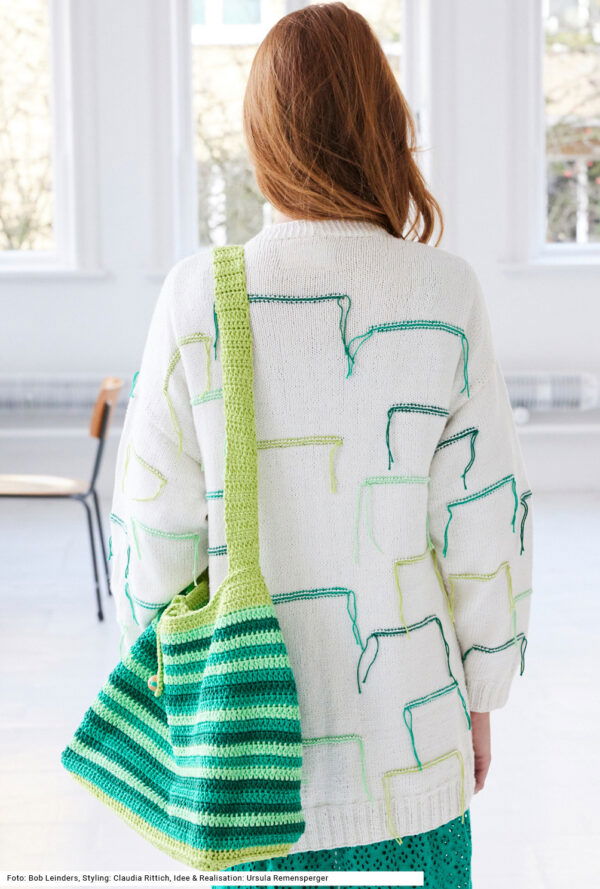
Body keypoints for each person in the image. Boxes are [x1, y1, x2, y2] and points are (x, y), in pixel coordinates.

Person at [108, 3, 533, 887]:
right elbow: (486, 525)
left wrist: (166, 686)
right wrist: (482, 694)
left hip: (245, 771)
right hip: (413, 756)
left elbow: (153, 533)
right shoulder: (445, 293)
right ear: (385, 124)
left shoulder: (198, 296)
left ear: (263, 136)